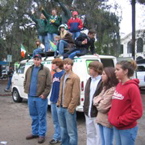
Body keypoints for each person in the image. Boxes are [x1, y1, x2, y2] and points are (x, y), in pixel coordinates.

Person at [108, 60, 143, 145]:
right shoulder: (120, 85)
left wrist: (120, 120)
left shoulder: (132, 88)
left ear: (125, 71)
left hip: (127, 129)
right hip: (117, 127)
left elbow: (137, 112)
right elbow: (116, 105)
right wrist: (111, 116)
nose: (115, 71)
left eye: (117, 69)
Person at [24, 54, 51, 144]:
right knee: (33, 116)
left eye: (38, 59)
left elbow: (48, 84)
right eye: (35, 59)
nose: (36, 61)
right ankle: (35, 133)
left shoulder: (46, 70)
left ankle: (41, 134)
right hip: (31, 97)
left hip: (40, 98)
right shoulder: (29, 69)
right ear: (33, 60)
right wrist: (26, 89)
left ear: (41, 60)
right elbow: (26, 80)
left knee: (41, 116)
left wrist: (44, 94)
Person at [57, 58, 80, 145]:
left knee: (71, 131)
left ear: (71, 66)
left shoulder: (75, 77)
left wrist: (71, 107)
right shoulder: (63, 76)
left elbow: (76, 95)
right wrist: (58, 104)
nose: (66, 65)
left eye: (68, 64)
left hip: (68, 108)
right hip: (61, 107)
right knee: (63, 129)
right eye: (65, 64)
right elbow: (61, 92)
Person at [93, 67, 119, 145]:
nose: (101, 76)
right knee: (103, 142)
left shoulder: (112, 89)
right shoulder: (105, 88)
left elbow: (102, 107)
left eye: (104, 74)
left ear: (109, 76)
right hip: (100, 119)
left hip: (107, 121)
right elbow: (94, 99)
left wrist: (98, 101)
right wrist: (99, 101)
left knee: (107, 142)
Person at [84, 61, 103, 145]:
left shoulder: (102, 81)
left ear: (97, 70)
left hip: (97, 113)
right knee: (90, 133)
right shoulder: (89, 80)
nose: (89, 70)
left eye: (91, 68)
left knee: (99, 134)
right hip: (88, 112)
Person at [49, 58, 65, 144]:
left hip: (60, 101)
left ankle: (63, 138)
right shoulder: (54, 75)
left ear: (58, 64)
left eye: (53, 64)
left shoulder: (63, 74)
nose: (52, 65)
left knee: (61, 121)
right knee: (55, 121)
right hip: (53, 100)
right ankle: (56, 136)